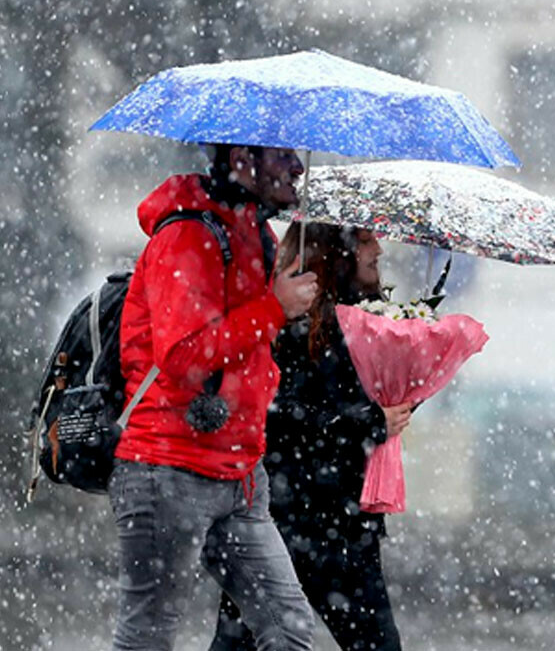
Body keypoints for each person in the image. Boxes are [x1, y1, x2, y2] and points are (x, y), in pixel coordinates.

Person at [111, 145, 319, 651]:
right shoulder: (187, 233)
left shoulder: (255, 234)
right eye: (281, 155)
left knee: (288, 629)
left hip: (240, 474)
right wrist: (273, 308)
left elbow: (252, 347)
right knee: (148, 636)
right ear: (242, 158)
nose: (297, 167)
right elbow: (184, 354)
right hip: (167, 468)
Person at [210, 222, 413, 651]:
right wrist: (369, 422)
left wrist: (403, 396)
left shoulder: (370, 321)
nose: (378, 248)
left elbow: (355, 408)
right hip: (285, 520)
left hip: (342, 522)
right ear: (334, 251)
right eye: (364, 240)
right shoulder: (290, 320)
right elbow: (280, 414)